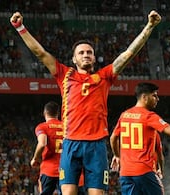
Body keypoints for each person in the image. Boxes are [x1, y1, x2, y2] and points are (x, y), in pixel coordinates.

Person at [10, 9, 162, 195]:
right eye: (81, 52)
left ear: (94, 57)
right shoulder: (64, 75)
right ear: (74, 59)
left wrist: (149, 26)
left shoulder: (104, 77)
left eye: (89, 52)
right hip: (71, 143)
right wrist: (20, 27)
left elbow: (128, 54)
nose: (86, 55)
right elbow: (40, 53)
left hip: (96, 145)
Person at [30, 101, 64, 195]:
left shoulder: (42, 127)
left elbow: (42, 143)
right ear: (58, 113)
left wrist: (35, 159)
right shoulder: (67, 127)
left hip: (49, 170)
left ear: (45, 113)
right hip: (65, 169)